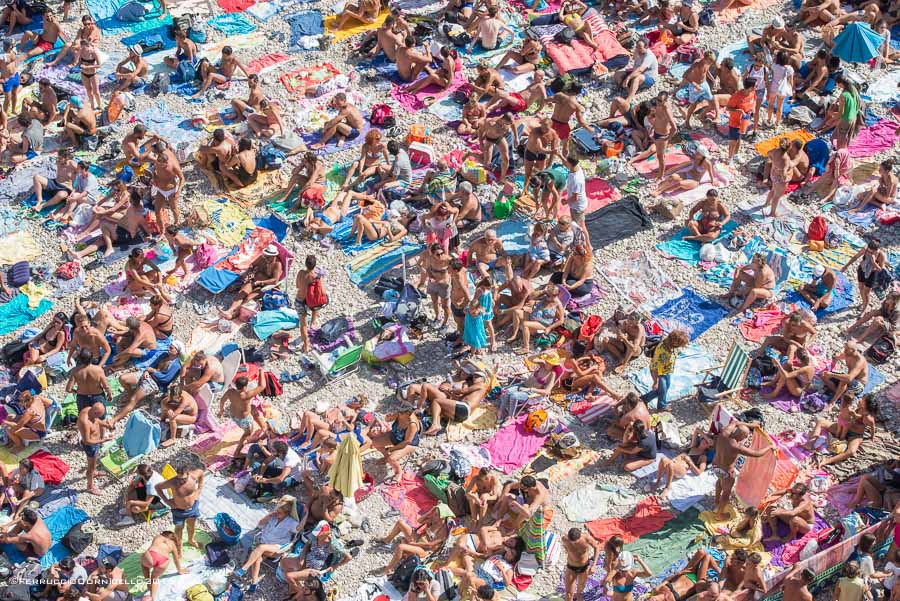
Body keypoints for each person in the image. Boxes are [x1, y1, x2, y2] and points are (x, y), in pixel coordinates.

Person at [233, 498, 301, 594]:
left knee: (260, 548)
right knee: (257, 559)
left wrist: (305, 515)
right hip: (264, 543)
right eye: (277, 511)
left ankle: (243, 569)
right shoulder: (273, 517)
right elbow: (259, 525)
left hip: (277, 548)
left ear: (287, 513)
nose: (277, 514)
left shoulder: (291, 522)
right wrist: (268, 517)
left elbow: (298, 529)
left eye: (280, 512)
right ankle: (254, 584)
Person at [713, 421, 775, 518]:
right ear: (741, 437)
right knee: (726, 492)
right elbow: (757, 454)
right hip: (726, 472)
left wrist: (753, 425)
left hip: (715, 466)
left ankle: (717, 500)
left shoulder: (724, 434)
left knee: (719, 480)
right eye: (745, 436)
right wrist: (769, 447)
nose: (746, 438)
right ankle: (719, 514)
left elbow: (735, 422)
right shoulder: (736, 447)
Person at [219, 244, 283, 320]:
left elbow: (275, 280)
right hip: (254, 281)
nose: (267, 258)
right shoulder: (263, 258)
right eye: (266, 255)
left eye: (269, 256)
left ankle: (235, 314)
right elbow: (252, 265)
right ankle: (229, 311)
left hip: (264, 286)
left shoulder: (277, 264)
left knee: (249, 298)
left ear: (274, 256)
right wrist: (250, 272)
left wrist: (260, 282)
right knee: (242, 292)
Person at [155, 464, 205, 551]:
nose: (181, 481)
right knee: (179, 528)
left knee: (191, 526)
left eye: (183, 479)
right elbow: (158, 487)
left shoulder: (193, 476)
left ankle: (191, 540)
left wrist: (199, 488)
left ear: (188, 474)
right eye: (179, 478)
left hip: (192, 508)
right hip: (178, 510)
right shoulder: (173, 482)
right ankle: (178, 544)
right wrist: (166, 501)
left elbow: (201, 472)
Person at [218, 371, 267, 459]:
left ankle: (263, 427)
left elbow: (222, 400)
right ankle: (237, 452)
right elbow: (262, 386)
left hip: (233, 414)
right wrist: (261, 372)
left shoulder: (230, 391)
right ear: (245, 387)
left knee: (253, 408)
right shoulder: (246, 395)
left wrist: (221, 411)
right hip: (243, 419)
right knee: (247, 433)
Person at [642, 330, 689, 412]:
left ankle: (644, 400)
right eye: (680, 345)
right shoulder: (662, 352)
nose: (681, 347)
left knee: (664, 388)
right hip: (659, 373)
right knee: (662, 390)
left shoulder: (670, 345)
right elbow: (655, 368)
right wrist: (655, 382)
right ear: (675, 343)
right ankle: (661, 405)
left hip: (666, 370)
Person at [843, 238, 889, 314]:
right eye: (868, 251)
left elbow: (880, 269)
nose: (869, 253)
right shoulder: (865, 249)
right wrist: (845, 266)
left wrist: (873, 262)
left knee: (866, 292)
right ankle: (864, 302)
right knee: (861, 287)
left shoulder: (881, 255)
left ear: (876, 250)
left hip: (872, 274)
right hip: (862, 270)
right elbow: (855, 257)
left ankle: (864, 309)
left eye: (871, 252)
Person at [78, 402, 114, 496]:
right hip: (91, 446)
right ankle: (90, 486)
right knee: (91, 467)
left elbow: (97, 421)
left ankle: (94, 472)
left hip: (95, 443)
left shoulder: (90, 409)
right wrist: (103, 440)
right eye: (99, 415)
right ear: (95, 412)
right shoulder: (85, 422)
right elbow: (86, 441)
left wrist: (106, 425)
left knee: (94, 463)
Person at [140, 532, 187, 601]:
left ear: (164, 534)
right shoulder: (173, 545)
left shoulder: (158, 537)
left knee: (144, 566)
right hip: (163, 560)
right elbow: (176, 560)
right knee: (155, 578)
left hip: (151, 554)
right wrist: (180, 570)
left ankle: (148, 584)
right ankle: (152, 598)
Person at [294, 255, 326, 354]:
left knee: (303, 325)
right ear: (315, 265)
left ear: (305, 264)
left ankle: (306, 345)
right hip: (311, 302)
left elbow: (297, 286)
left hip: (300, 301)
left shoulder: (300, 273)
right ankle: (313, 322)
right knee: (315, 302)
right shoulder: (317, 277)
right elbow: (323, 292)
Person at [66, 349, 114, 414]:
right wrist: (110, 394)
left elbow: (68, 389)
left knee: (84, 416)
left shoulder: (75, 371)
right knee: (100, 416)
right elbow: (106, 386)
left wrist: (75, 391)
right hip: (97, 396)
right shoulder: (98, 370)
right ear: (92, 358)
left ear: (79, 359)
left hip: (82, 397)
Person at [613, 40, 658, 105]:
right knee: (617, 74)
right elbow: (634, 63)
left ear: (646, 47)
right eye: (637, 47)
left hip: (648, 77)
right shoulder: (636, 51)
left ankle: (629, 99)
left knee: (637, 78)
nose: (637, 49)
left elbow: (640, 70)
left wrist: (628, 78)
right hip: (636, 72)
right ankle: (627, 89)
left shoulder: (649, 56)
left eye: (640, 48)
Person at [562, 528, 602, 601]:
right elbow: (565, 548)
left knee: (581, 586)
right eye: (572, 542)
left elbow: (596, 547)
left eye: (576, 541)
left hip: (584, 567)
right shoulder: (565, 539)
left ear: (580, 536)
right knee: (569, 594)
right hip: (571, 567)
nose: (574, 543)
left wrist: (594, 565)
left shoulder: (586, 538)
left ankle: (578, 594)